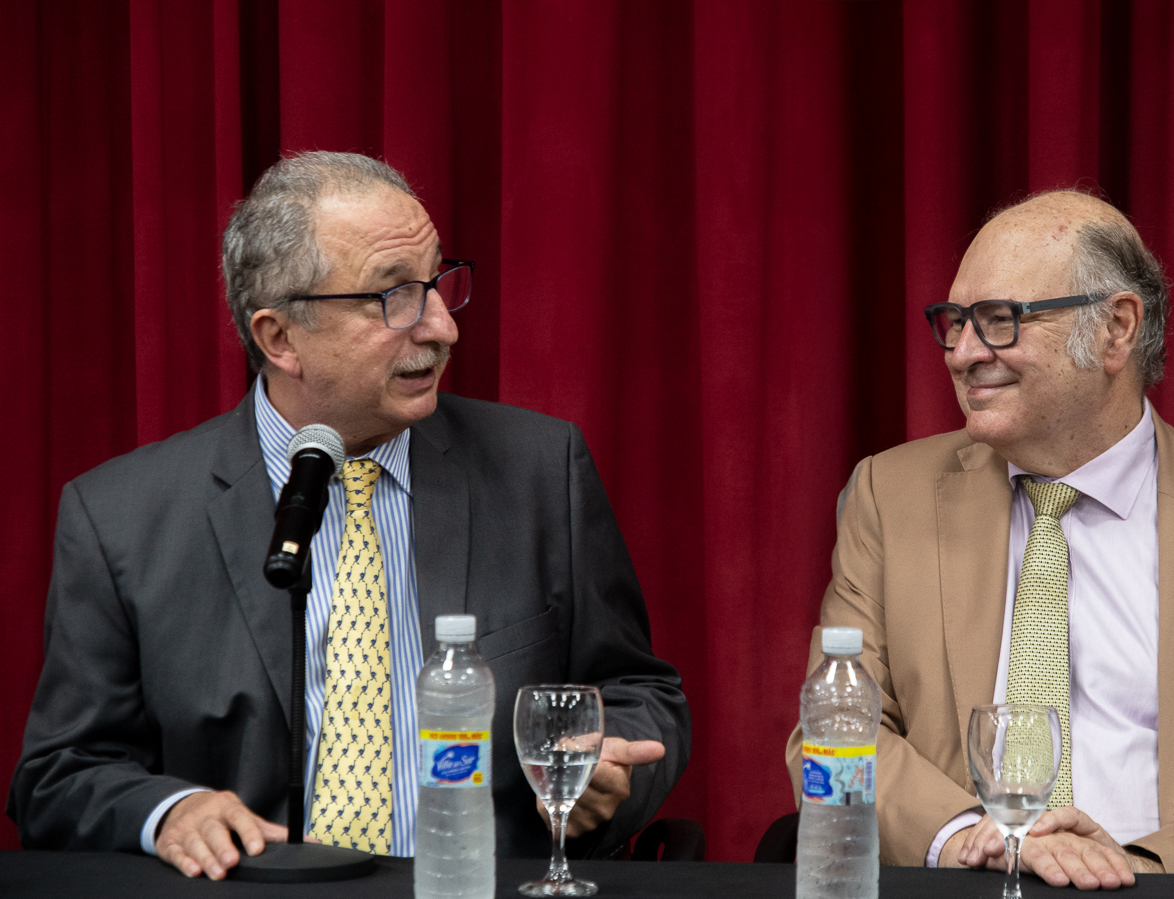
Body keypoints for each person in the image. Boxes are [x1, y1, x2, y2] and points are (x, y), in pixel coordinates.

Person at [9, 151, 690, 879]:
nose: (442, 328)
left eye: (436, 284)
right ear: (280, 338)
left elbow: (639, 692)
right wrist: (169, 811)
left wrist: (609, 767)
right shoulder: (120, 517)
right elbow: (59, 774)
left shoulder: (540, 471)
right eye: (394, 296)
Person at [787, 190, 1174, 885]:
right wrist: (976, 839)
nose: (963, 353)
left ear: (1116, 329)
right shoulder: (888, 497)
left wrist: (1136, 867)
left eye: (1000, 321)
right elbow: (832, 736)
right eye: (955, 323)